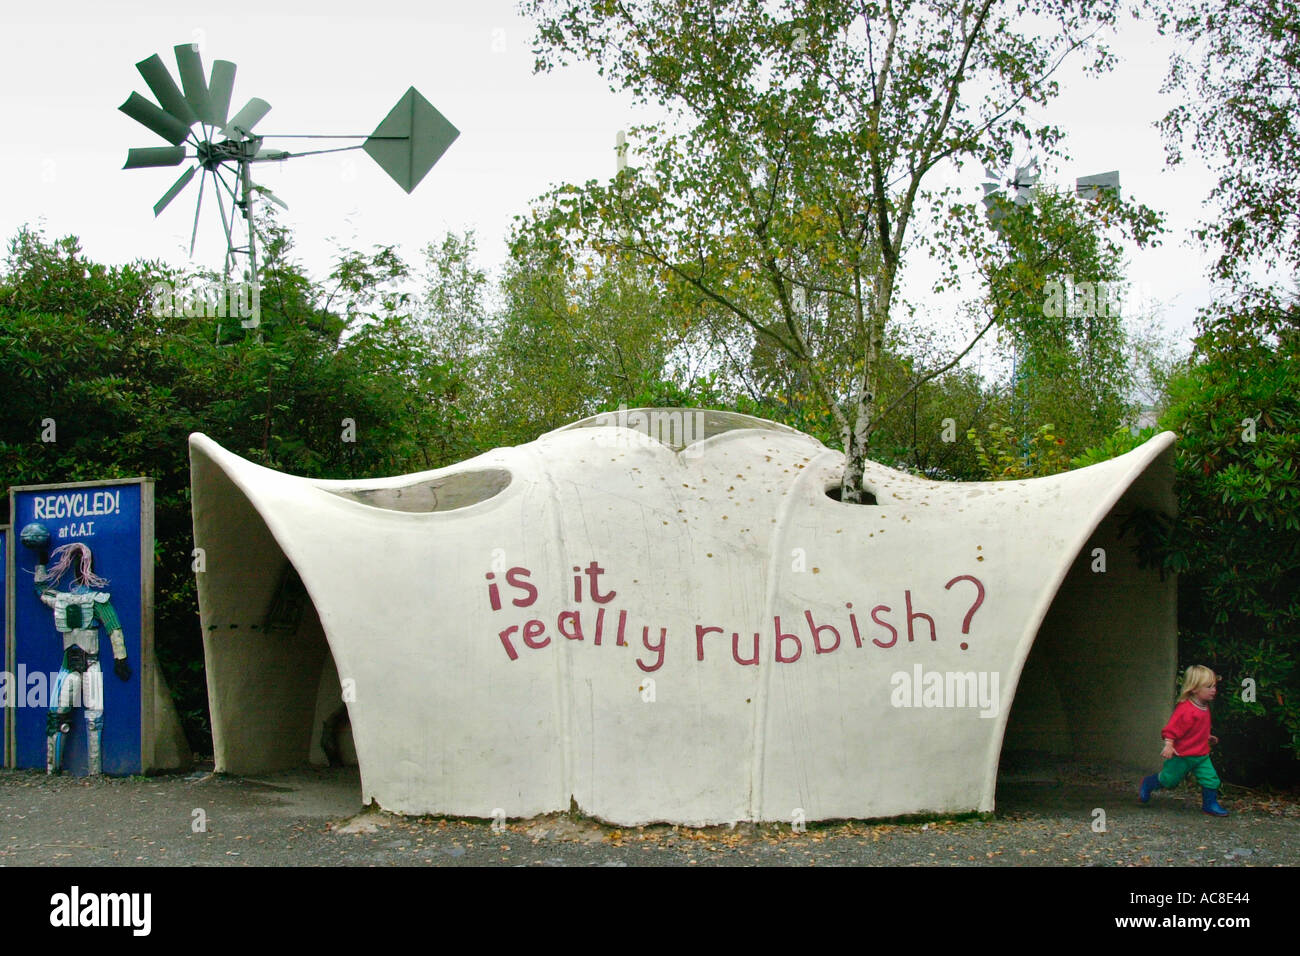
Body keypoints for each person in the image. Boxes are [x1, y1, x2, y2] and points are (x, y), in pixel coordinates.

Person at [21, 526, 132, 775]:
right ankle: (54, 768)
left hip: (89, 662)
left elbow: (113, 628)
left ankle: (93, 770)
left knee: (93, 717)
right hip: (71, 663)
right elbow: (40, 592)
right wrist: (40, 562)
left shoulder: (91, 600)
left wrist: (120, 658)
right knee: (59, 714)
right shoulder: (69, 600)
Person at [1138, 665, 1227, 816]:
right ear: (1194, 689)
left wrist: (1207, 737)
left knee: (1210, 779)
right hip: (1182, 755)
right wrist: (1169, 745)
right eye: (1209, 687)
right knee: (1169, 780)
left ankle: (1210, 804)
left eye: (1214, 686)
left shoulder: (1204, 706)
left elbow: (1198, 728)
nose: (1214, 690)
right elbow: (1172, 729)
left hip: (1201, 755)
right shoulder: (1186, 709)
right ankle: (1148, 783)